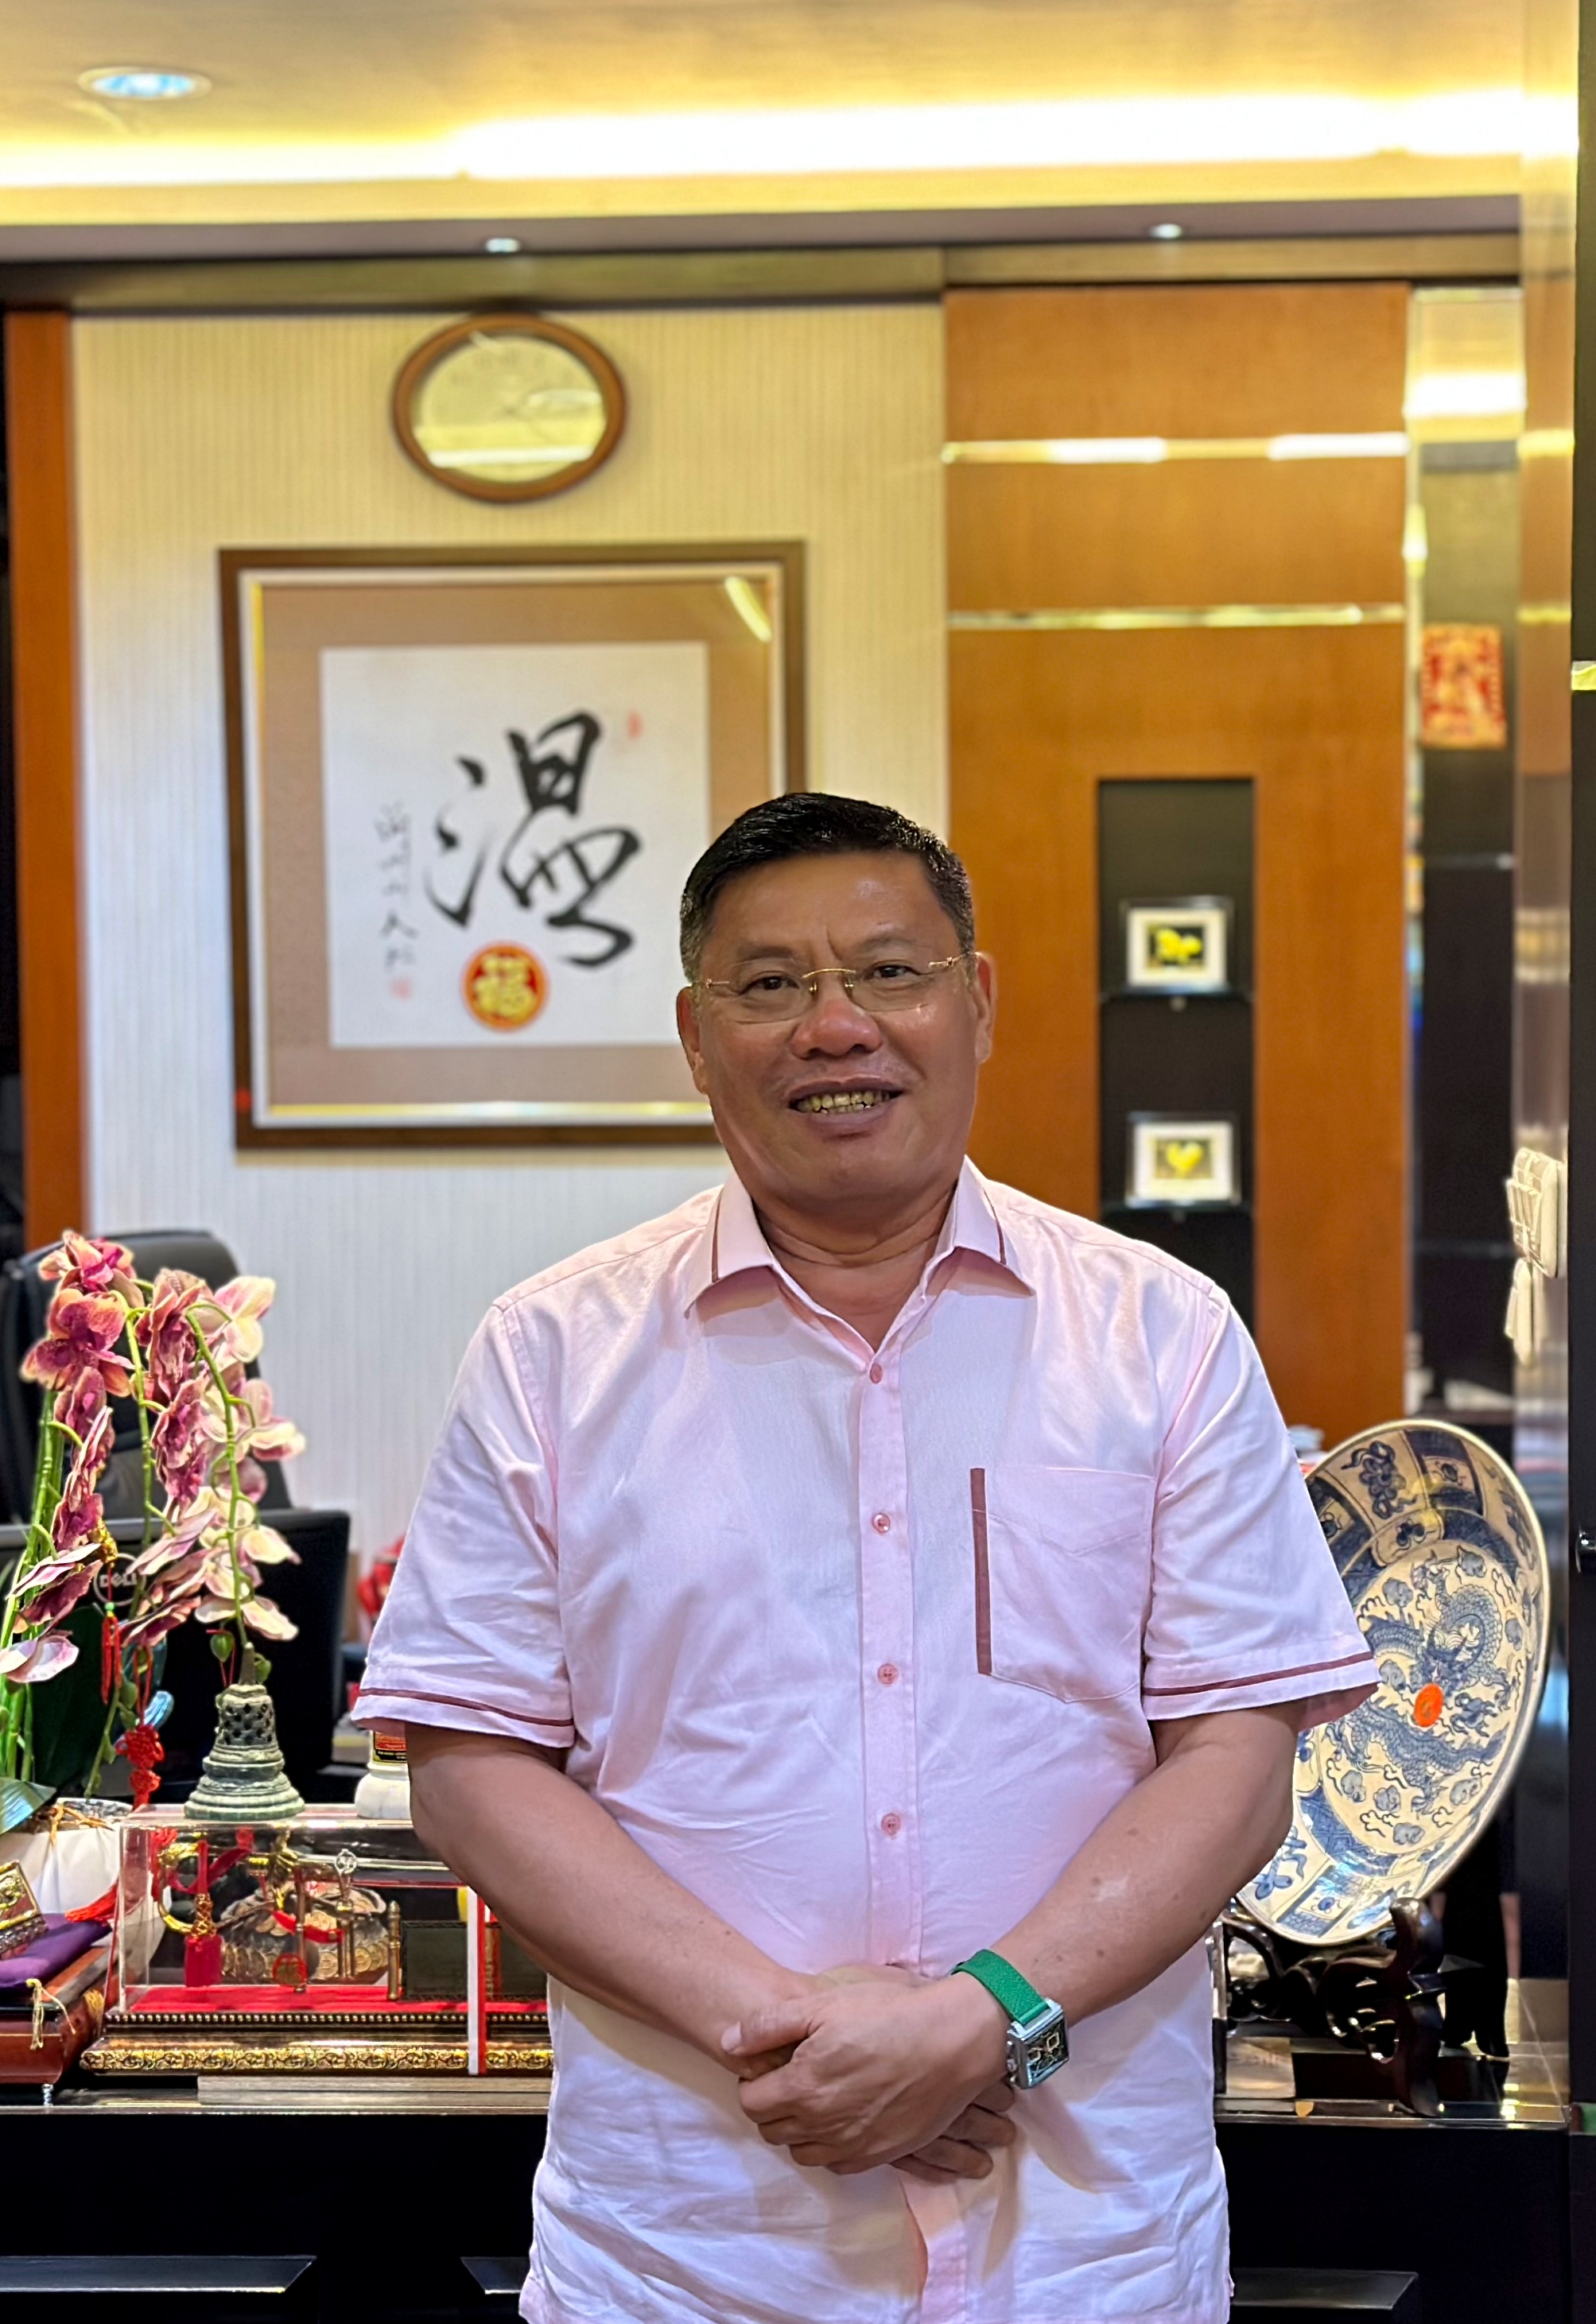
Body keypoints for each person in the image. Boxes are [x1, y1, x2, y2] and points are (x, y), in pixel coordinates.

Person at [354, 793, 1375, 2324]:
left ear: (975, 1003)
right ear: (697, 1040)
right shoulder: (553, 1351)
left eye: (888, 973)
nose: (835, 1027)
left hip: (1082, 2250)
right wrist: (800, 2039)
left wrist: (987, 2020)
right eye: (771, 987)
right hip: (690, 2250)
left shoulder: (1159, 1335)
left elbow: (1235, 1752)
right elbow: (471, 1764)